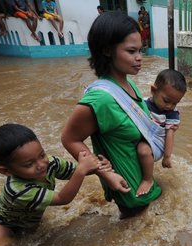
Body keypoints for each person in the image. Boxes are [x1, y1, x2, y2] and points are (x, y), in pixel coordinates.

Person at [61, 11, 161, 219]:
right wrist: (106, 173)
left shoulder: (128, 83)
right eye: (131, 51)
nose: (139, 58)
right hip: (130, 194)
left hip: (145, 184)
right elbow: (69, 139)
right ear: (107, 50)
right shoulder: (101, 100)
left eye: (140, 50)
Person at [0, 123, 122, 246]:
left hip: (28, 218)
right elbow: (63, 198)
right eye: (29, 164)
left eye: (42, 155)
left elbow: (78, 170)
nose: (41, 164)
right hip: (3, 223)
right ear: (6, 171)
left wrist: (99, 166)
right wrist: (82, 170)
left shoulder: (51, 163)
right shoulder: (18, 190)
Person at [136, 69, 186, 197]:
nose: (170, 106)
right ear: (153, 90)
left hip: (158, 143)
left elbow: (170, 134)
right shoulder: (142, 103)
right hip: (146, 135)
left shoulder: (172, 113)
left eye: (175, 103)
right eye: (166, 101)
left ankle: (147, 180)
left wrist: (167, 157)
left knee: (143, 150)